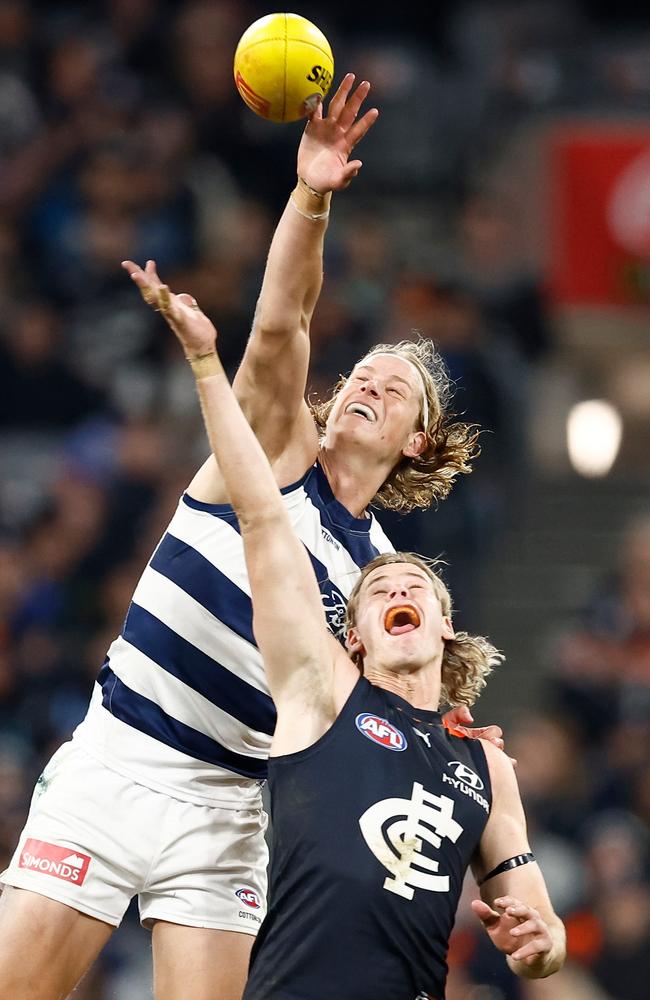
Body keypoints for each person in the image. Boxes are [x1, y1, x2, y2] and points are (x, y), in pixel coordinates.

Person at [0, 77, 498, 1000]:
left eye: (397, 391)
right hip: (119, 758)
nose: (367, 386)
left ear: (417, 444)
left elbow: (393, 705)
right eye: (364, 372)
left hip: (232, 810)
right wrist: (310, 196)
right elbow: (281, 327)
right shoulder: (270, 447)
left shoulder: (380, 576)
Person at [150, 278, 567, 998]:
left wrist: (543, 943)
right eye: (378, 591)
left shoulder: (487, 766)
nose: (398, 587)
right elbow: (259, 515)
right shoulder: (320, 695)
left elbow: (539, 935)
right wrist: (207, 367)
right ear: (353, 640)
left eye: (416, 590)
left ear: (447, 625)